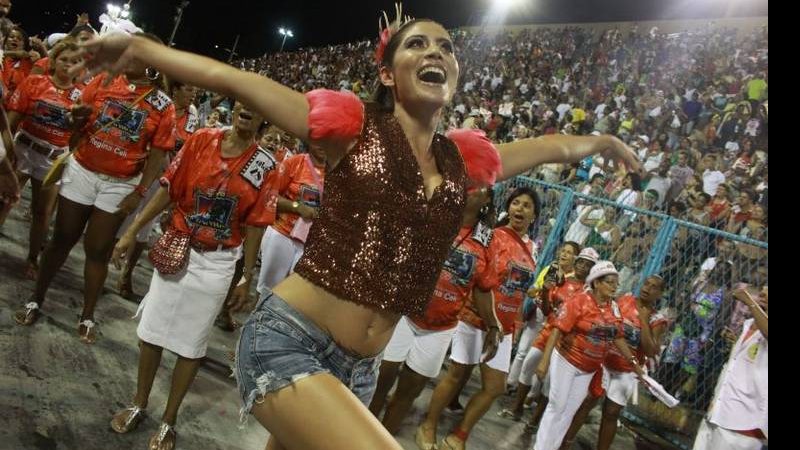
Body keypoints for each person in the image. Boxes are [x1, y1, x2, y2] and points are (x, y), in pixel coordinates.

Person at [75, 9, 638, 448]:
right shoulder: (351, 128)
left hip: (358, 371)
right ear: (388, 74)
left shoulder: (464, 162)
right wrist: (147, 50)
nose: (435, 50)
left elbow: (549, 147)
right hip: (287, 343)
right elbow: (239, 80)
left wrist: (601, 142)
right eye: (417, 43)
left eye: (445, 45)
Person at [108, 102, 273, 449]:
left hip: (217, 263)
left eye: (255, 107)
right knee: (152, 331)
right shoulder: (200, 140)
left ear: (264, 118)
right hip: (177, 246)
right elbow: (169, 189)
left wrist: (246, 276)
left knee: (191, 343)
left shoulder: (265, 165)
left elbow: (256, 223)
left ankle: (169, 419)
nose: (247, 109)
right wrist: (131, 231)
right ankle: (139, 403)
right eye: (242, 102)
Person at [14, 33, 176, 346]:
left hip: (120, 183)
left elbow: (158, 153)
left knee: (98, 250)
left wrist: (139, 191)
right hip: (84, 171)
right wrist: (76, 118)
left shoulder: (162, 104)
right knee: (62, 238)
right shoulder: (103, 80)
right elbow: (79, 122)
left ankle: (87, 314)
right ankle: (36, 299)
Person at [368, 183, 499, 441]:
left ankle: (381, 442)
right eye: (470, 182)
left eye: (481, 187)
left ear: (488, 199)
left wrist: (493, 325)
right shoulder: (433, 212)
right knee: (379, 380)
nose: (472, 189)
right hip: (403, 313)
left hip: (440, 327)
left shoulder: (486, 239)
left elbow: (483, 286)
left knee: (410, 390)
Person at [436, 187, 540, 450]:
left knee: (495, 387)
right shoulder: (493, 236)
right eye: (516, 203)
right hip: (474, 316)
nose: (520, 209)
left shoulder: (532, 249)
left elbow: (518, 290)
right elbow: (480, 277)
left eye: (527, 205)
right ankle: (428, 424)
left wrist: (512, 324)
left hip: (503, 327)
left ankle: (458, 436)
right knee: (456, 375)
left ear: (534, 215)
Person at [532, 261, 643, 450]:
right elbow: (557, 330)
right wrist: (544, 361)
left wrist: (633, 362)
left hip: (588, 368)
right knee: (557, 406)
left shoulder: (613, 307)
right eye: (610, 282)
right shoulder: (579, 301)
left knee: (569, 411)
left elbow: (617, 335)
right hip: (567, 359)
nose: (615, 287)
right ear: (596, 283)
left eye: (616, 283)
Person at [558, 275, 669, 450]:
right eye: (647, 283)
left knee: (611, 412)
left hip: (627, 370)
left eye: (654, 287)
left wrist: (644, 320)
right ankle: (566, 442)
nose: (647, 288)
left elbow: (650, 350)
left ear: (660, 293)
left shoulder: (657, 319)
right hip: (604, 361)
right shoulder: (624, 300)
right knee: (587, 401)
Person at [4, 37, 83, 278]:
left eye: (75, 61)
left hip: (53, 158)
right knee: (4, 199)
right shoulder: (35, 82)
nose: (68, 65)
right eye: (64, 60)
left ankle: (32, 258)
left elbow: (78, 136)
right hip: (24, 149)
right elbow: (11, 122)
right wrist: (7, 155)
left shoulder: (83, 97)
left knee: (42, 212)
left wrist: (70, 161)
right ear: (55, 60)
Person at [115, 80, 199, 298]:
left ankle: (126, 275)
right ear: (175, 89)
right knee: (121, 220)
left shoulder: (193, 115)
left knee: (144, 228)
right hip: (140, 171)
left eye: (195, 91)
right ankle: (103, 259)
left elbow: (187, 149)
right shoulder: (159, 104)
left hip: (163, 181)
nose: (193, 94)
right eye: (189, 88)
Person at [504, 248, 599, 429]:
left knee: (549, 381)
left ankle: (534, 422)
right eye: (581, 262)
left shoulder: (590, 294)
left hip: (566, 340)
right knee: (528, 364)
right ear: (576, 263)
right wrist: (546, 293)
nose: (583, 267)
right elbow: (547, 311)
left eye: (588, 265)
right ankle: (516, 408)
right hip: (548, 330)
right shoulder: (562, 282)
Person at [692, 286, 767, 450]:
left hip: (743, 426)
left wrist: (750, 302)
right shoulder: (748, 325)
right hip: (717, 412)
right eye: (764, 287)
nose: (763, 292)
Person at [255, 143, 326, 294]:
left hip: (310, 245)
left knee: (291, 297)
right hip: (281, 235)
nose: (324, 145)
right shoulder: (296, 162)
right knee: (266, 291)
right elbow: (270, 195)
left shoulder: (338, 173)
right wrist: (296, 207)